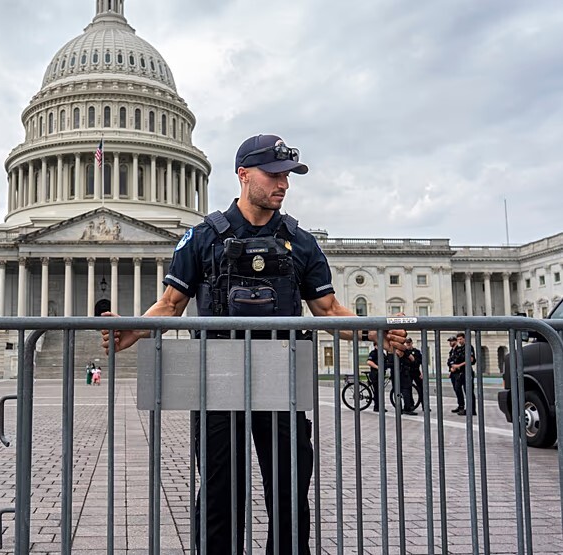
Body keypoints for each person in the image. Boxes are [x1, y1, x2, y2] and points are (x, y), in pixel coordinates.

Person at [100, 134, 406, 555]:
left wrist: (376, 331)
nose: (284, 184)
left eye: (288, 176)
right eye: (274, 174)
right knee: (220, 494)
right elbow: (171, 303)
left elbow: (330, 310)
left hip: (280, 379)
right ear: (244, 175)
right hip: (218, 380)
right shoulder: (203, 237)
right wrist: (135, 329)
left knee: (289, 493)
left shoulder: (300, 242)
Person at [452, 332, 477, 416]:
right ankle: (461, 406)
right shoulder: (459, 349)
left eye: (461, 339)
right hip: (459, 373)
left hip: (467, 371)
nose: (459, 341)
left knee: (469, 391)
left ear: (465, 339)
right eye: (458, 339)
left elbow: (471, 360)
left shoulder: (469, 347)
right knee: (457, 388)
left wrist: (459, 365)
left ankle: (472, 409)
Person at [366, 341, 395, 413]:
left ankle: (379, 406)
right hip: (375, 374)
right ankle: (377, 407)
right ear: (375, 346)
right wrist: (378, 367)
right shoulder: (373, 353)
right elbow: (369, 362)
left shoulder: (382, 354)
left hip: (381, 374)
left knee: (380, 391)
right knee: (378, 391)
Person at [401, 337, 422, 415]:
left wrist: (421, 373)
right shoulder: (404, 352)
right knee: (408, 389)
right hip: (408, 372)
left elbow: (420, 362)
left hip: (416, 371)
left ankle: (424, 405)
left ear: (412, 343)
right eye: (407, 343)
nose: (408, 344)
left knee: (421, 388)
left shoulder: (416, 352)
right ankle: (411, 405)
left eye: (409, 343)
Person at [446, 335, 463, 412]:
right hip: (453, 373)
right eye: (450, 341)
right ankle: (460, 405)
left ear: (456, 341)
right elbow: (449, 362)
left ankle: (461, 406)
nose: (450, 343)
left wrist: (453, 365)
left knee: (458, 389)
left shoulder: (458, 350)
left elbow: (457, 360)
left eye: (452, 341)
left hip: (458, 372)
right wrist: (451, 368)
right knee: (456, 389)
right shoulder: (451, 351)